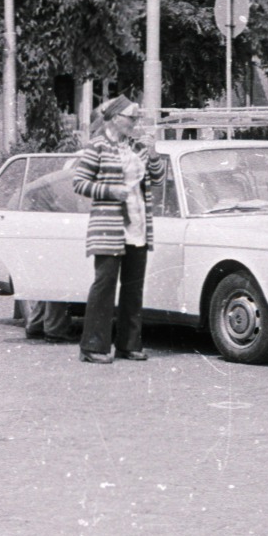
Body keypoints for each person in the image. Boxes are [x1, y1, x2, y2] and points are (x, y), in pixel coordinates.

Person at [71, 95, 166, 364]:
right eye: (130, 117)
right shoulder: (97, 146)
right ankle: (93, 347)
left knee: (133, 287)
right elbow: (79, 182)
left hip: (137, 224)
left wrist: (155, 153)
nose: (135, 123)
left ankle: (128, 344)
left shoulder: (137, 147)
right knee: (105, 285)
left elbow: (157, 180)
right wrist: (110, 190)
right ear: (114, 118)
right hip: (109, 226)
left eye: (137, 118)